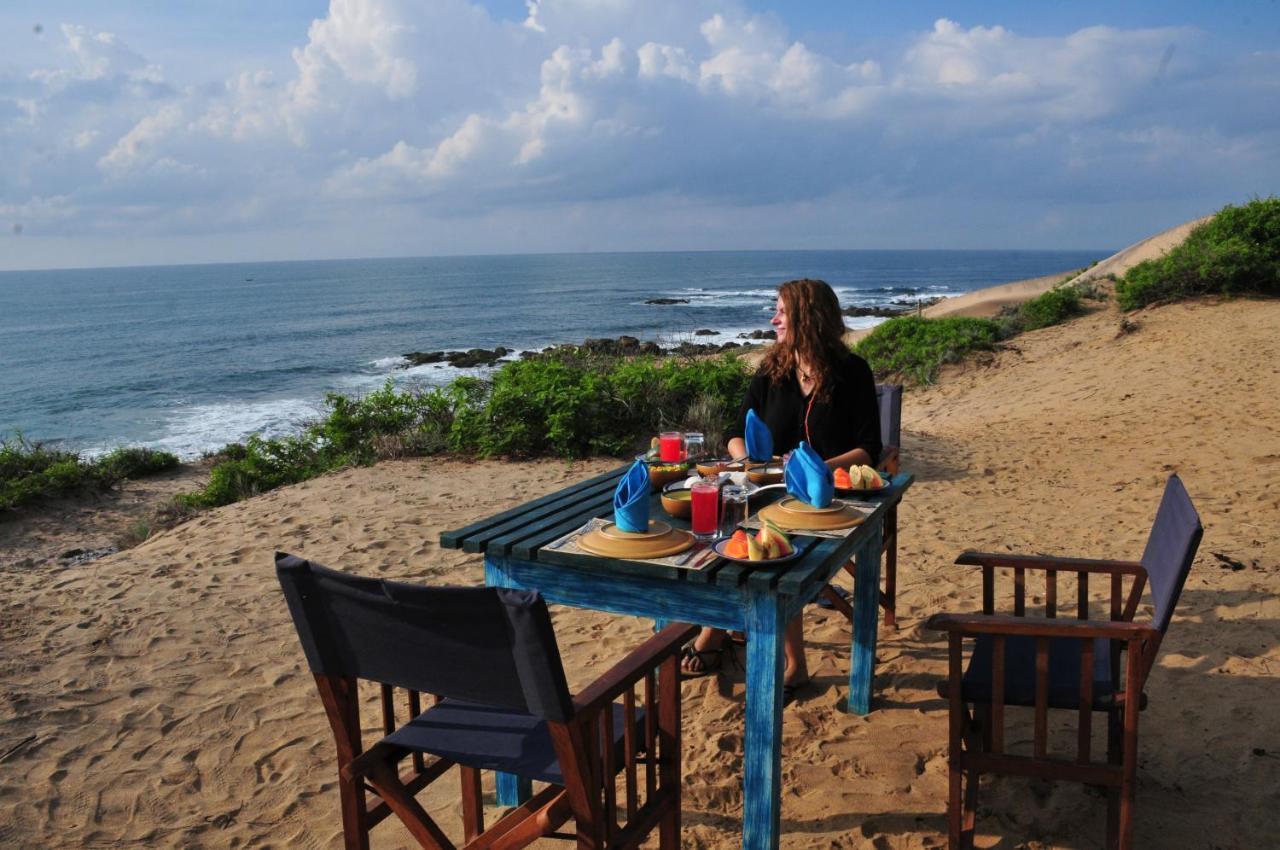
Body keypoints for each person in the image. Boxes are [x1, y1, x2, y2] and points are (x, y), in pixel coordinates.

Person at [680, 278, 882, 699]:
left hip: (830, 499)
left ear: (809, 319)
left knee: (771, 544)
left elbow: (869, 449)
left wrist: (812, 470)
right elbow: (738, 431)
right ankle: (717, 629)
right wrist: (745, 461)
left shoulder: (852, 373)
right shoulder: (772, 371)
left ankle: (788, 662)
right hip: (767, 489)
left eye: (782, 313)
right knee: (721, 526)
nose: (773, 320)